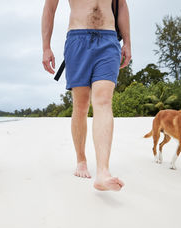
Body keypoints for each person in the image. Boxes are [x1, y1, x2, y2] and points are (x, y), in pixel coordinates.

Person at [41, 0, 131, 191]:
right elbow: (50, 8)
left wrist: (128, 44)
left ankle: (103, 171)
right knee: (81, 106)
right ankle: (81, 160)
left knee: (104, 101)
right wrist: (46, 47)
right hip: (77, 38)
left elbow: (121, 6)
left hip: (108, 39)